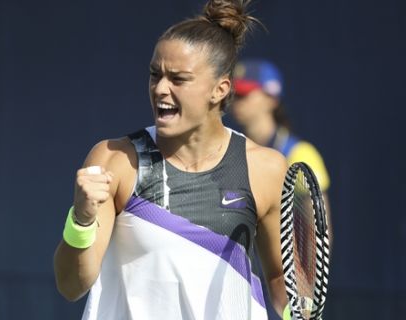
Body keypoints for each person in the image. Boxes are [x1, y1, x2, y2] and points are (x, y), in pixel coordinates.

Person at [54, 1, 291, 319]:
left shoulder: (266, 168)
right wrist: (81, 220)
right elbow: (71, 286)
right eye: (155, 75)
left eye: (178, 79)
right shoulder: (114, 159)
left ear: (219, 90)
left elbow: (279, 278)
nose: (160, 89)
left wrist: (297, 311)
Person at [231, 59, 332, 319]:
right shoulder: (236, 152)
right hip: (243, 283)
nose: (237, 100)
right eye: (235, 94)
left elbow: (320, 232)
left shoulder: (300, 153)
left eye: (244, 93)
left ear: (270, 98)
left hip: (288, 290)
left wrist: (305, 294)